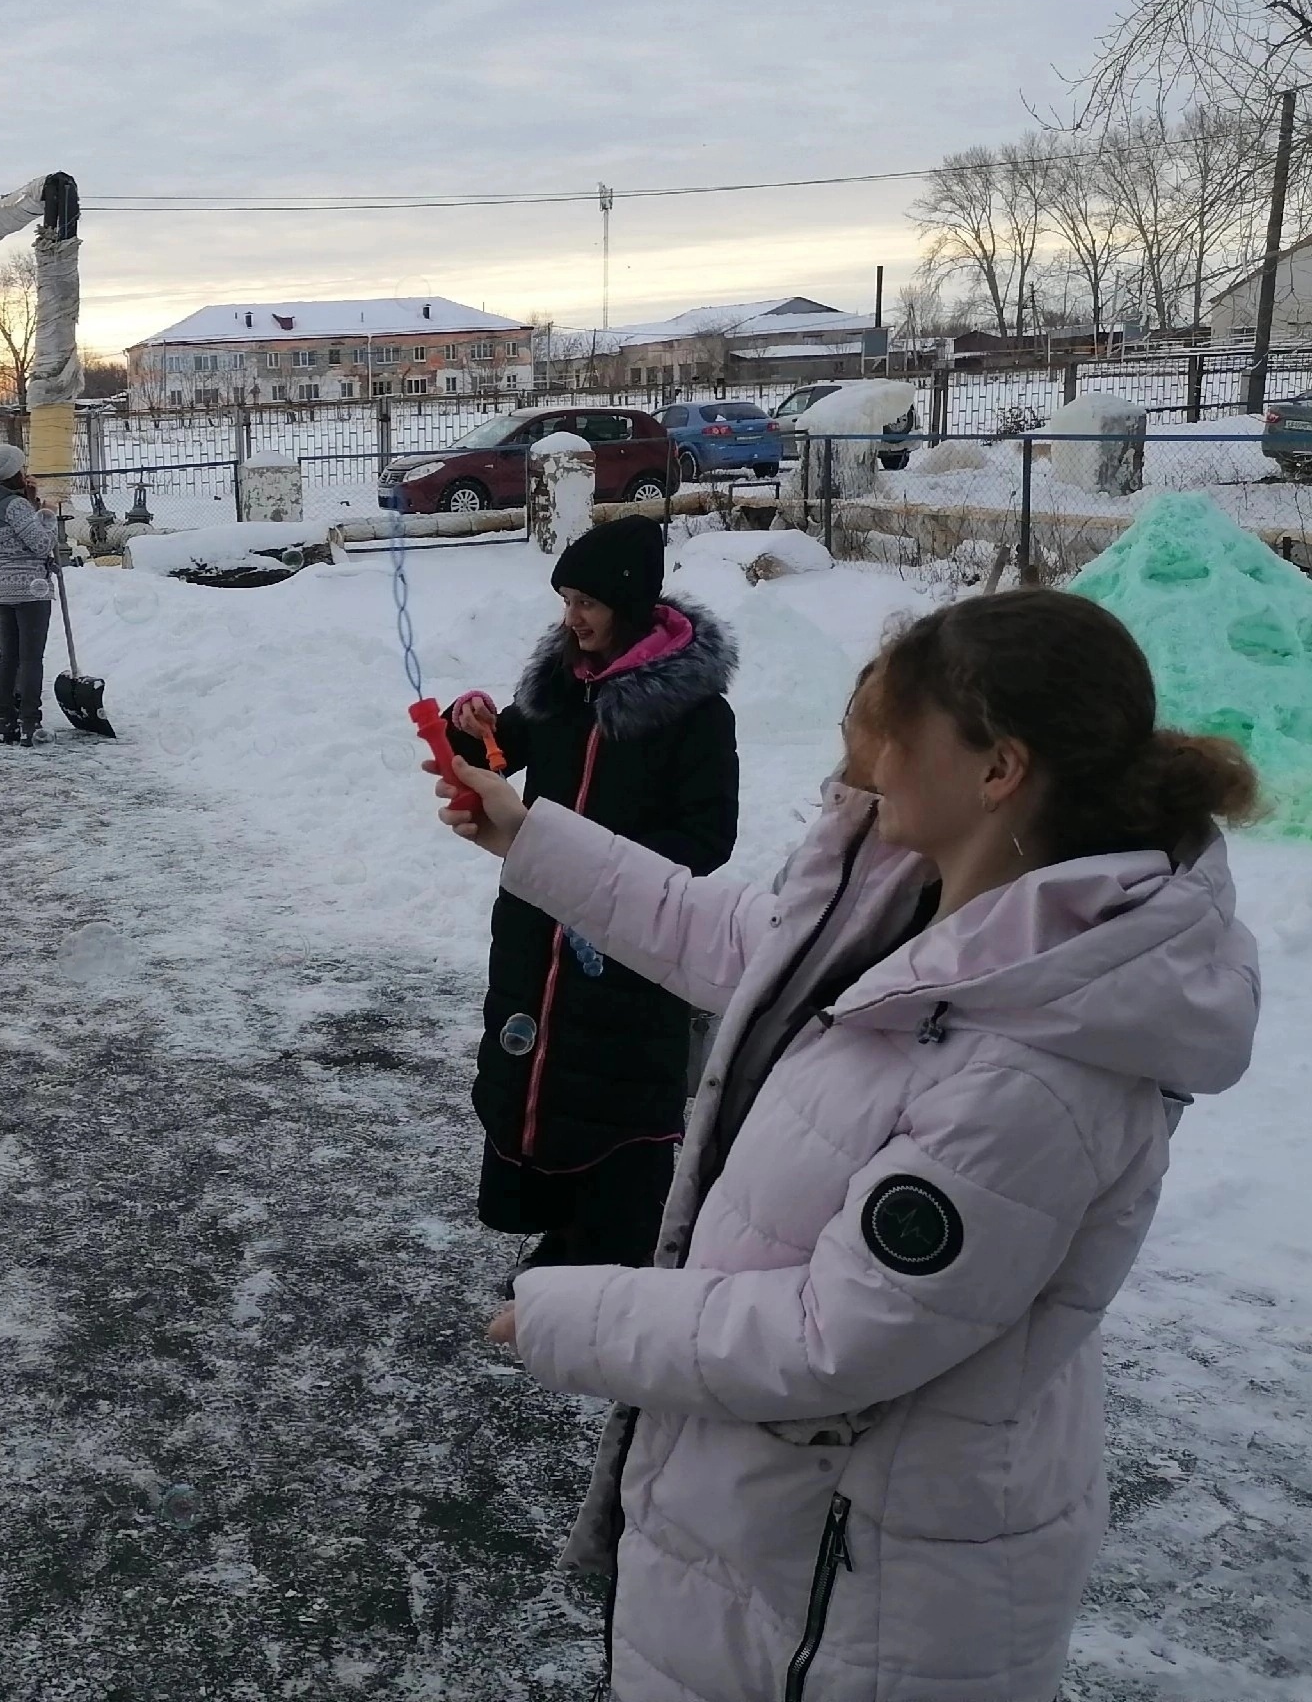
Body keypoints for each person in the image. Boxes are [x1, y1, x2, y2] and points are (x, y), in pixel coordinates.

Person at [436, 589, 1260, 1702]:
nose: (860, 765)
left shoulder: (1041, 1061)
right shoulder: (918, 903)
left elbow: (840, 1335)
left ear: (997, 770)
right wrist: (524, 832)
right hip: (783, 1534)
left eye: (891, 734)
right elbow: (735, 943)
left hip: (866, 1591)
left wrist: (570, 1315)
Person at [443, 515, 737, 1284]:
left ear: (631, 603)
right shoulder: (561, 690)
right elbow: (504, 752)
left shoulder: (695, 714)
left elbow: (708, 838)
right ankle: (561, 1229)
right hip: (538, 920)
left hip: (633, 933)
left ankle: (611, 1248)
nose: (573, 617)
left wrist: (610, 877)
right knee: (542, 1073)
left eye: (588, 602)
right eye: (567, 598)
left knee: (615, 1086)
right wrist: (468, 728)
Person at [0, 442, 60, 747]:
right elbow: (41, 544)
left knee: (8, 657)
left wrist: (31, 503)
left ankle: (3, 722)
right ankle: (29, 722)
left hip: (3, 588)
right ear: (15, 472)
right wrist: (49, 516)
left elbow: (15, 536)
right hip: (30, 589)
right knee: (32, 658)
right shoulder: (16, 506)